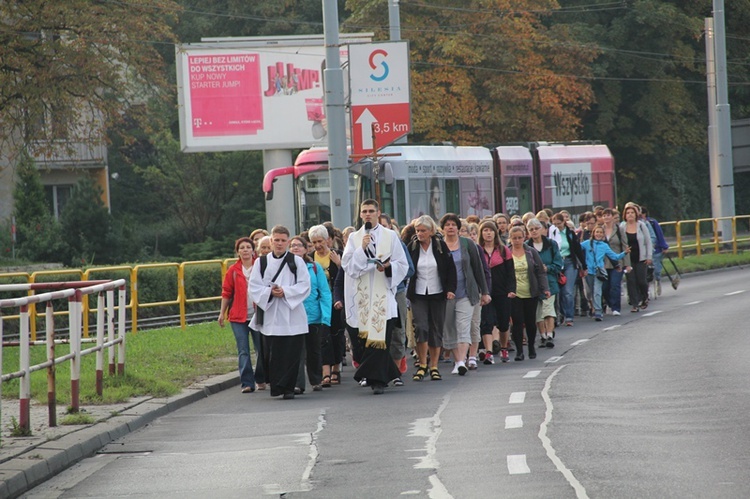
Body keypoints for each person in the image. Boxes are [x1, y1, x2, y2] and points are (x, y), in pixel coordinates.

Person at [342, 199, 410, 395]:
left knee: (381, 340)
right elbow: (348, 267)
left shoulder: (390, 236)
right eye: (364, 211)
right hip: (363, 297)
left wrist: (389, 267)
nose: (368, 214)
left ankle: (376, 381)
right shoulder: (355, 238)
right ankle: (386, 374)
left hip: (383, 295)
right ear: (360, 214)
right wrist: (361, 250)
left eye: (371, 211)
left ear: (378, 213)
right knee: (366, 342)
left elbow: (402, 264)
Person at [248, 225, 311, 400]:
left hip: (292, 314)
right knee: (273, 353)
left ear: (288, 242)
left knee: (291, 353)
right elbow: (253, 287)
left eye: (283, 241)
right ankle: (277, 386)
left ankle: (289, 388)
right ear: (271, 240)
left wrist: (286, 292)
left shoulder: (296, 261)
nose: (280, 244)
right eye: (276, 240)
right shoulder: (261, 262)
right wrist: (269, 293)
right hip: (271, 314)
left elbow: (305, 285)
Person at [407, 215, 457, 382]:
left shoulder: (440, 246)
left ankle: (434, 366)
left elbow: (451, 268)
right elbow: (406, 266)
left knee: (436, 328)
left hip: (438, 292)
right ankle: (422, 364)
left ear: (431, 231)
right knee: (421, 327)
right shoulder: (412, 246)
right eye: (417, 230)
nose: (420, 234)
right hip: (418, 293)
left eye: (423, 231)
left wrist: (450, 289)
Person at [439, 214, 490, 375]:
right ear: (442, 228)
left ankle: (461, 362)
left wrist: (485, 291)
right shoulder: (439, 246)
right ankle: (458, 359)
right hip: (446, 294)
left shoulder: (468, 245)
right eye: (447, 225)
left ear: (458, 228)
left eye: (453, 224)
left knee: (464, 326)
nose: (451, 227)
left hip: (467, 292)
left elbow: (478, 269)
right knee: (449, 328)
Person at [218, 237, 263, 393]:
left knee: (261, 349)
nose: (245, 250)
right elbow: (227, 292)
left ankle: (261, 378)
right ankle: (247, 383)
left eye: (248, 247)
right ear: (237, 252)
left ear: (253, 250)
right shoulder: (233, 270)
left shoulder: (260, 266)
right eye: (241, 247)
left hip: (258, 315)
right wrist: (222, 313)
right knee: (243, 350)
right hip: (238, 317)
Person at [289, 235, 330, 394]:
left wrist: (326, 318)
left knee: (314, 350)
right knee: (297, 351)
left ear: (306, 249)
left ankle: (316, 379)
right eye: (292, 245)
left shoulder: (314, 267)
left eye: (299, 245)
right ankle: (298, 384)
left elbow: (325, 292)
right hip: (294, 314)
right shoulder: (286, 267)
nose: (296, 248)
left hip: (313, 315)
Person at [508, 225, 549, 361]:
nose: (517, 241)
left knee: (531, 322)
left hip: (531, 292)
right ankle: (519, 350)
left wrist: (545, 288)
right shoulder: (507, 252)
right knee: (517, 322)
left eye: (520, 238)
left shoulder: (531, 252)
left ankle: (531, 346)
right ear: (510, 239)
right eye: (514, 238)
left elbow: (540, 271)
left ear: (524, 237)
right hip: (514, 293)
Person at [478, 219, 514, 363]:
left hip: (502, 291)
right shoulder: (478, 250)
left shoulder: (503, 250)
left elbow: (511, 273)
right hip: (485, 291)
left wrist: (512, 289)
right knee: (486, 322)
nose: (488, 233)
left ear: (495, 233)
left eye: (491, 230)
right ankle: (488, 352)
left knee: (503, 322)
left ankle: (504, 348)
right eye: (485, 230)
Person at [525, 218, 563, 348]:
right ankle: (542, 335)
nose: (534, 231)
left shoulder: (551, 244)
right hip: (532, 283)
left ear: (542, 229)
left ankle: (549, 334)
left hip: (549, 281)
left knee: (548, 309)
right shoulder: (526, 246)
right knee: (537, 312)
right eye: (531, 229)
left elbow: (558, 263)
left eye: (536, 228)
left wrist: (548, 268)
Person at [581, 225, 630, 320]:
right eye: (597, 232)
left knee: (597, 291)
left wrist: (624, 253)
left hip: (599, 271)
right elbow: (578, 250)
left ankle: (598, 312)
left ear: (603, 235)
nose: (598, 234)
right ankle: (594, 308)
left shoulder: (604, 246)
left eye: (601, 232)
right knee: (590, 292)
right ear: (593, 233)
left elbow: (614, 257)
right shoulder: (586, 244)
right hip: (589, 271)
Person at [551, 213, 586, 326]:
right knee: (559, 292)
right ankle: (560, 314)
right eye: (555, 224)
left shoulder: (570, 234)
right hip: (557, 262)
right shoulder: (552, 234)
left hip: (569, 262)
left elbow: (578, 250)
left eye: (559, 223)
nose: (557, 226)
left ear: (564, 222)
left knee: (568, 291)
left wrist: (584, 266)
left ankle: (569, 316)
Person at [621, 203, 653, 313]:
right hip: (628, 259)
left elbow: (648, 241)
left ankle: (644, 296)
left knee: (641, 280)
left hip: (641, 257)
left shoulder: (641, 225)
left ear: (636, 214)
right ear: (625, 215)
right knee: (631, 281)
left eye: (632, 213)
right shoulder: (622, 227)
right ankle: (634, 304)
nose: (630, 215)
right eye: (628, 213)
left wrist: (649, 256)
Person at [601, 208, 629, 315]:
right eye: (604, 215)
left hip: (617, 262)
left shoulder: (619, 229)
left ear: (613, 217)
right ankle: (609, 302)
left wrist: (627, 264)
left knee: (615, 285)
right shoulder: (599, 229)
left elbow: (625, 247)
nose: (606, 217)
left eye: (608, 215)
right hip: (603, 263)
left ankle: (616, 308)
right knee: (605, 287)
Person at [640, 206, 669, 296]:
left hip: (655, 250)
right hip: (643, 252)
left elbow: (659, 235)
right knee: (646, 271)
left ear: (644, 214)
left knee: (656, 269)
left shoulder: (652, 222)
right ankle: (647, 289)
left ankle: (657, 280)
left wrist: (664, 247)